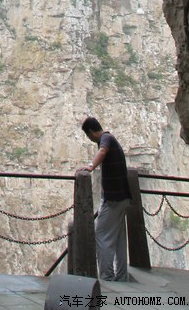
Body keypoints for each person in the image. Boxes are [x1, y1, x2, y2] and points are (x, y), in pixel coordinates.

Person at [80, 116, 133, 282]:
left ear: (90, 132)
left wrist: (90, 166)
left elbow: (102, 151)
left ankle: (107, 276)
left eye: (88, 136)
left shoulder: (106, 138)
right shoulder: (110, 138)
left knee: (102, 234)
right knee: (118, 238)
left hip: (114, 199)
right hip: (122, 197)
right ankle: (122, 275)